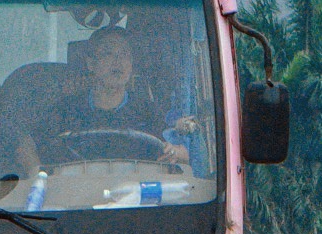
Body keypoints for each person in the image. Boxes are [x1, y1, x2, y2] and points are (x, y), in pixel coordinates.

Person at [17, 28, 199, 174]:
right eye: (108, 54)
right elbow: (25, 145)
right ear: (91, 64)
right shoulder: (66, 110)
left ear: (131, 64)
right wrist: (38, 179)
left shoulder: (148, 111)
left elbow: (186, 154)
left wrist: (174, 153)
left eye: (124, 54)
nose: (118, 61)